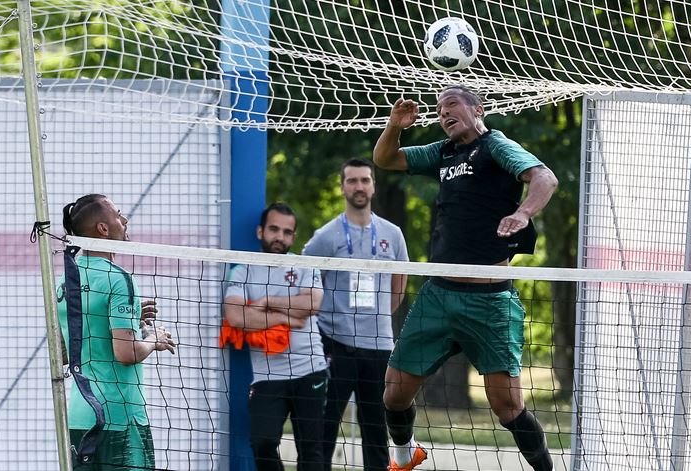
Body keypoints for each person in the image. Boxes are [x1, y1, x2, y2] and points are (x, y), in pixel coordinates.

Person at [372, 85, 559, 471]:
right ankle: (405, 458)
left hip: (489, 302)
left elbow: (545, 179)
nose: (444, 114)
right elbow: (386, 159)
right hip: (438, 296)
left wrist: (522, 214)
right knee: (394, 394)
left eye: (452, 105)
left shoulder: (496, 146)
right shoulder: (441, 153)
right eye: (439, 110)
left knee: (507, 407)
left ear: (478, 108)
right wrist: (394, 125)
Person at [302, 158, 409, 471]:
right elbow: (308, 282)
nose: (359, 186)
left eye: (365, 180)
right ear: (342, 187)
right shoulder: (326, 236)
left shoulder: (393, 234)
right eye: (352, 181)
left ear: (373, 185)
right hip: (334, 344)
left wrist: (375, 320)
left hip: (378, 347)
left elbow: (399, 288)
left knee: (376, 430)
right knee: (326, 426)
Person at [57, 194, 177, 470]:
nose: (124, 220)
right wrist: (152, 340)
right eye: (119, 214)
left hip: (79, 415)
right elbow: (126, 352)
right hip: (119, 415)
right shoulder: (119, 278)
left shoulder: (66, 280)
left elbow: (66, 352)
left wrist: (131, 319)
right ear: (103, 228)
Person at [223, 202, 328, 471]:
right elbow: (236, 317)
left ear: (293, 236)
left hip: (310, 371)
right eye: (273, 229)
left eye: (287, 232)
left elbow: (313, 304)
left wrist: (268, 299)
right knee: (263, 443)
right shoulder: (242, 270)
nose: (280, 237)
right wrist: (285, 317)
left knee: (312, 451)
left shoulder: (305, 265)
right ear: (260, 232)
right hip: (268, 377)